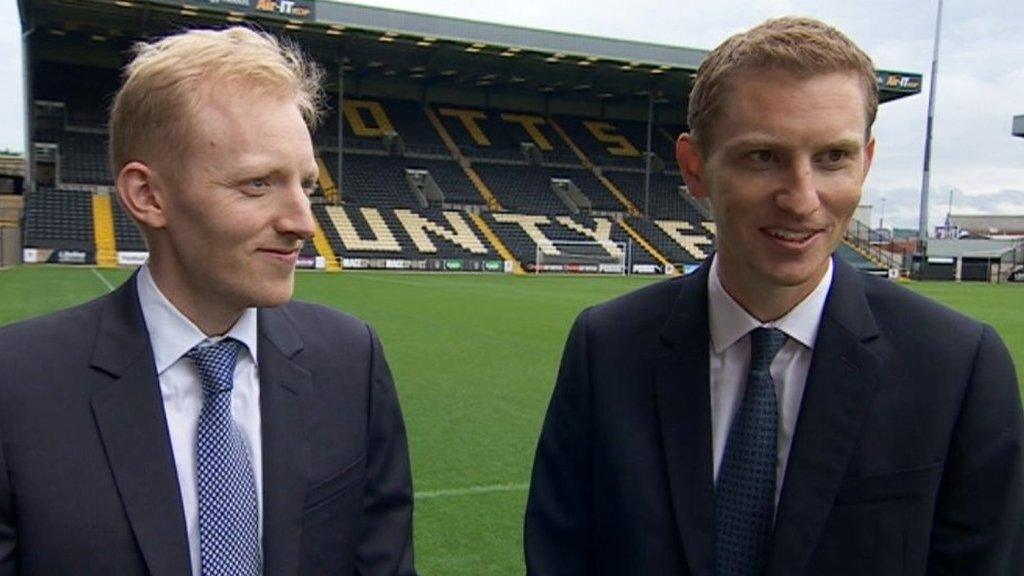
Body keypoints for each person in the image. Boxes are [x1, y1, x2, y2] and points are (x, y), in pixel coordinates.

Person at [524, 17, 1023, 575]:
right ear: (695, 168)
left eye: (833, 157)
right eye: (763, 157)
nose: (802, 199)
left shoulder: (958, 367)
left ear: (867, 162)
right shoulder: (607, 348)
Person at [0, 27, 416, 575]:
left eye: (306, 186)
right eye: (258, 184)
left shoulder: (350, 359)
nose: (303, 224)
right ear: (148, 196)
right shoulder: (16, 382)